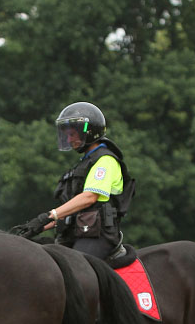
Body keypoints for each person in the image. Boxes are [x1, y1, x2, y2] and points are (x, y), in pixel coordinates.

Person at [42, 101, 134, 260]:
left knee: (75, 266)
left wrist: (52, 215)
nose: (69, 140)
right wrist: (38, 225)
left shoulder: (105, 160)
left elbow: (90, 197)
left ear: (89, 132)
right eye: (66, 135)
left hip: (98, 235)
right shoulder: (84, 162)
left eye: (72, 134)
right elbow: (72, 209)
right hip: (77, 231)